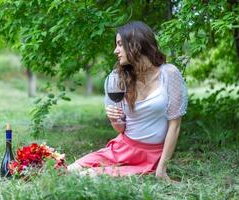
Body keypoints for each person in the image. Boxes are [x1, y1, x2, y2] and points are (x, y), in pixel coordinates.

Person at [68, 21, 187, 182]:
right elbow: (121, 128)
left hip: (152, 154)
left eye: (119, 44)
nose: (115, 51)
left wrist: (162, 168)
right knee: (71, 169)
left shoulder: (169, 74)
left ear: (135, 44)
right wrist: (114, 119)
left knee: (88, 176)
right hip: (123, 147)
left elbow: (175, 124)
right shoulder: (118, 79)